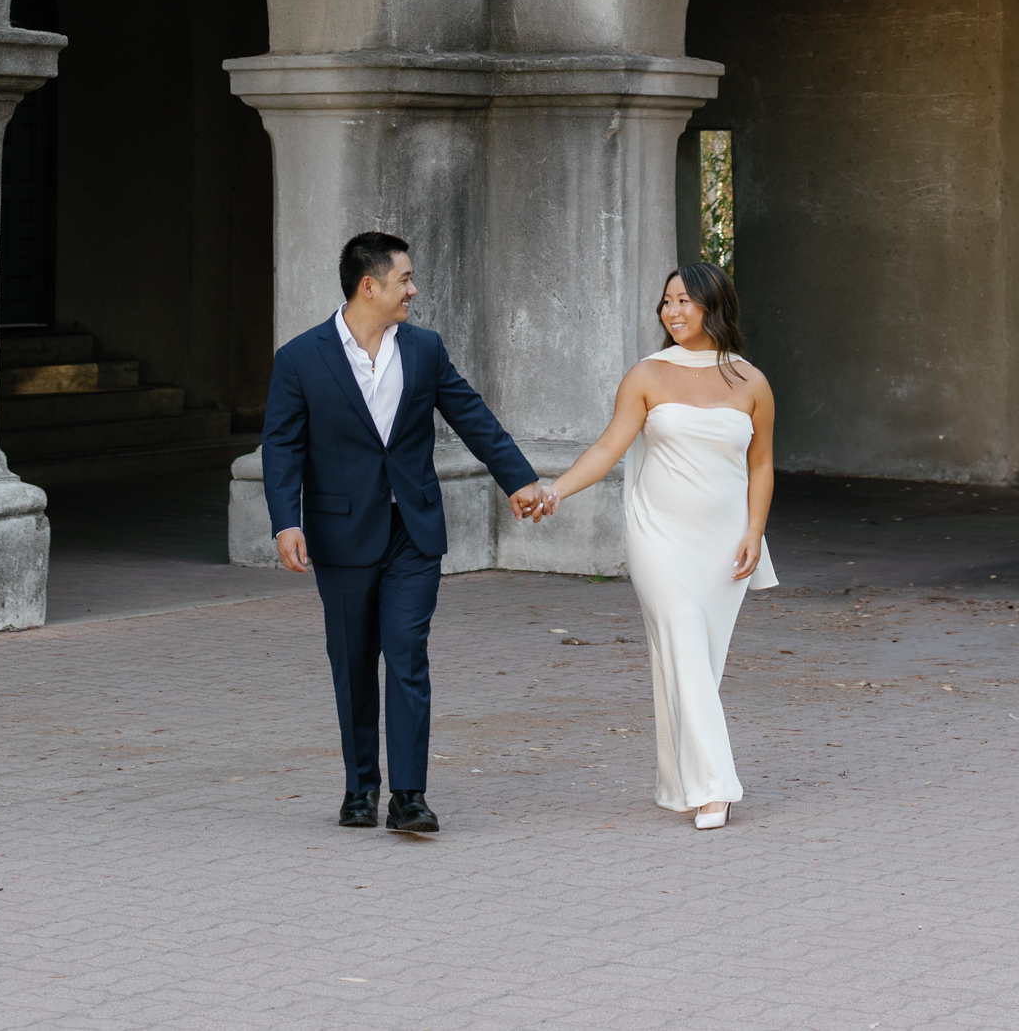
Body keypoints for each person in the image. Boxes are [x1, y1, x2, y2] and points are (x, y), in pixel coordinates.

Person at [262, 230, 549, 835]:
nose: (413, 289)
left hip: (412, 531)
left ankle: (409, 796)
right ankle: (360, 789)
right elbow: (282, 446)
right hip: (340, 533)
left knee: (407, 655)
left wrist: (518, 479)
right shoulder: (300, 358)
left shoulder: (423, 349)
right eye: (405, 280)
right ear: (370, 286)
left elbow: (472, 414)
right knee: (353, 661)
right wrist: (286, 520)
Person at [537, 259, 776, 829]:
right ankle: (713, 786)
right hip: (659, 536)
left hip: (724, 542)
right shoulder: (646, 374)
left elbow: (762, 465)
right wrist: (555, 490)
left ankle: (679, 781)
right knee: (684, 643)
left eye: (685, 301)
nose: (673, 311)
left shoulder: (752, 381)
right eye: (667, 301)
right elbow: (607, 449)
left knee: (695, 660)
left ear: (714, 307)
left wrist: (754, 531)